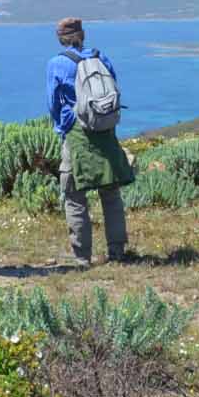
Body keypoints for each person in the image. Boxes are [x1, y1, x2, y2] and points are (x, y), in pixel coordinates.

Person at [47, 17, 133, 265]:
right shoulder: (100, 57)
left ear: (60, 38)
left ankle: (82, 256)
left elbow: (52, 102)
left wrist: (62, 126)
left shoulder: (57, 63)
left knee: (74, 195)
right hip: (105, 132)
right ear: (82, 34)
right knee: (111, 193)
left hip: (76, 134)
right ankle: (117, 251)